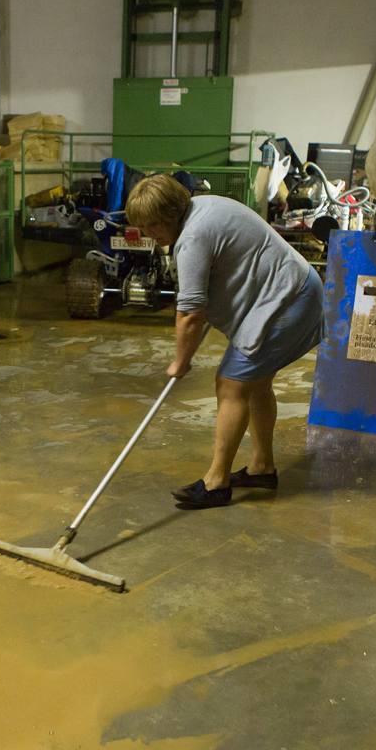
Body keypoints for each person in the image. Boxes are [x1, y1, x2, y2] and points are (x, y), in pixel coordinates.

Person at [125, 174, 323, 510]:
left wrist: (180, 361)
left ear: (171, 216)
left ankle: (217, 483)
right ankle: (262, 468)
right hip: (295, 289)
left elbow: (189, 313)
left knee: (230, 384)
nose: (148, 235)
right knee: (256, 383)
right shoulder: (204, 207)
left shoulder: (192, 238)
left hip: (289, 299)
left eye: (152, 226)